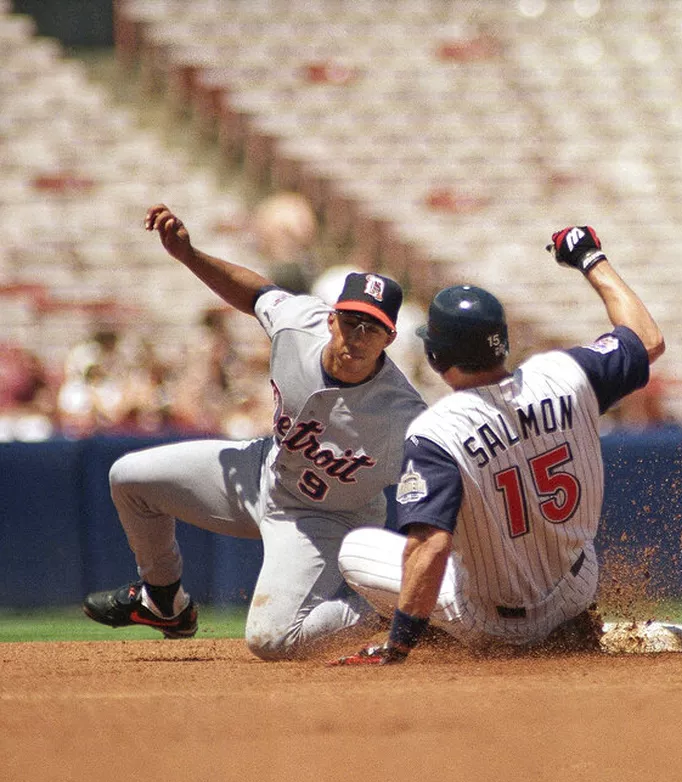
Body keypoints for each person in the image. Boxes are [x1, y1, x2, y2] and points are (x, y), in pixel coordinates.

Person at [82, 203, 427, 659]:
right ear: (330, 318)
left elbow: (451, 490)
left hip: (324, 521)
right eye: (349, 321)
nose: (357, 336)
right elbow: (255, 293)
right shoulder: (298, 324)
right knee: (129, 478)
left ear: (390, 337)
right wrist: (188, 255)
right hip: (261, 472)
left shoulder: (403, 414)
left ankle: (384, 612)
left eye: (372, 327)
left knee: (271, 640)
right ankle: (163, 601)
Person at [331, 226, 666, 665]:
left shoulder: (436, 431)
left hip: (496, 623)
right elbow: (647, 339)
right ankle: (570, 630)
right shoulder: (566, 374)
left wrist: (399, 646)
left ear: (435, 357)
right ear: (502, 344)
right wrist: (588, 257)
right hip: (576, 591)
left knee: (354, 550)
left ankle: (449, 644)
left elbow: (429, 549)